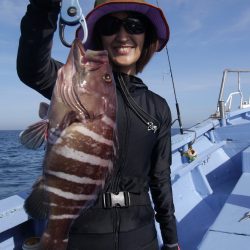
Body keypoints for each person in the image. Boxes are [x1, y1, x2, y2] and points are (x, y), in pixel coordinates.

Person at [17, 0, 180, 249]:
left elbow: (160, 178)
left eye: (134, 25)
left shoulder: (158, 107)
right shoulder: (75, 86)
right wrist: (44, 7)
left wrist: (171, 240)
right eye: (110, 25)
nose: (123, 35)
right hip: (81, 234)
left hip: (142, 235)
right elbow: (32, 68)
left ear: (146, 37)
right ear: (98, 37)